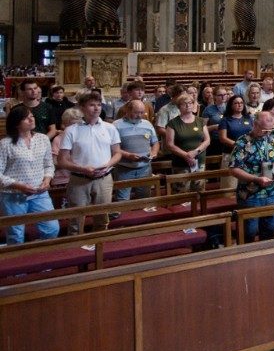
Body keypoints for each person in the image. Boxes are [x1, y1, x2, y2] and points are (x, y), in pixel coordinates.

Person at [57, 92, 122, 235]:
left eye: (98, 105)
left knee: (102, 216)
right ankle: (75, 248)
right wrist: (82, 169)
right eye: (92, 105)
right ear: (82, 108)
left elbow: (117, 153)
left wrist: (107, 165)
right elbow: (62, 160)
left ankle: (99, 245)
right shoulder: (71, 130)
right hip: (79, 178)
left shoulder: (110, 128)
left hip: (104, 178)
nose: (96, 108)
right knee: (76, 217)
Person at [0, 105, 58, 244]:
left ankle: (41, 259)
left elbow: (48, 164)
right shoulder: (5, 144)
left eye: (31, 116)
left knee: (51, 228)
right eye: (26, 118)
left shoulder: (42, 139)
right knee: (16, 234)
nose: (31, 119)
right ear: (16, 122)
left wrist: (47, 179)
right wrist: (18, 185)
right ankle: (18, 264)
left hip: (39, 193)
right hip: (13, 194)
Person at [229, 111, 274, 241]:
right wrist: (256, 179)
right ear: (255, 124)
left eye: (270, 130)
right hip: (250, 194)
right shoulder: (243, 142)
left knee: (270, 230)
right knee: (249, 231)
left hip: (271, 192)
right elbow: (233, 169)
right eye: (265, 130)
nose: (268, 133)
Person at [112, 100, 159, 201]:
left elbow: (155, 142)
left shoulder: (147, 124)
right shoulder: (116, 125)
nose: (140, 115)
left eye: (142, 112)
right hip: (124, 169)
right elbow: (112, 148)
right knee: (122, 200)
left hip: (145, 168)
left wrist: (154, 152)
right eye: (136, 112)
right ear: (127, 110)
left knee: (144, 199)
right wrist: (128, 155)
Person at [163, 94, 210, 193]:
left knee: (199, 192)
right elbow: (169, 144)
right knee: (181, 193)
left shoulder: (200, 121)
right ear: (179, 107)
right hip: (181, 164)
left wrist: (195, 152)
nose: (188, 105)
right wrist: (187, 155)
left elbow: (207, 140)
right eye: (184, 104)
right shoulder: (173, 123)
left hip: (199, 162)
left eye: (190, 103)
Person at [218, 95, 254, 189]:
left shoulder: (248, 118)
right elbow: (223, 138)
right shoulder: (225, 120)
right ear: (231, 105)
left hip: (247, 155)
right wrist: (239, 145)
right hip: (230, 154)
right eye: (236, 103)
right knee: (229, 185)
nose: (239, 105)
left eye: (241, 103)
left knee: (246, 184)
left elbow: (253, 134)